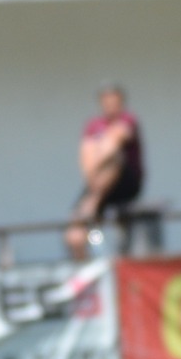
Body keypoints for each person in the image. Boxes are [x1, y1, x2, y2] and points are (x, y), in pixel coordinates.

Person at [63, 84, 146, 259]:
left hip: (125, 184)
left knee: (114, 158)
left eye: (114, 102)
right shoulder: (94, 124)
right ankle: (85, 264)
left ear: (121, 102)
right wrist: (92, 174)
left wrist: (95, 163)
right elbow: (85, 152)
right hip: (97, 184)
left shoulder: (128, 119)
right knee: (75, 232)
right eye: (106, 102)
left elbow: (115, 141)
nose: (110, 106)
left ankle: (93, 202)